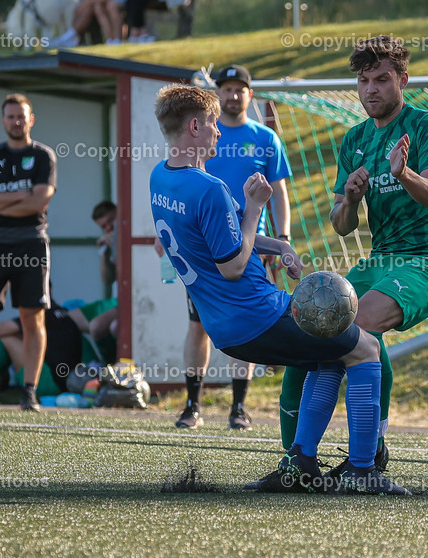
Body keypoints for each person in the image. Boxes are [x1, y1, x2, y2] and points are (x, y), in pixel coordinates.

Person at [150, 84, 409, 495]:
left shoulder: (161, 178)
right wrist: (255, 208)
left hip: (226, 328)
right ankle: (363, 471)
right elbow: (234, 266)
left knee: (331, 353)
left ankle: (300, 464)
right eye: (214, 124)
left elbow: (220, 235)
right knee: (367, 350)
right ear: (195, 127)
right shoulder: (210, 189)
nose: (220, 132)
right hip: (259, 316)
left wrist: (280, 245)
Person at [248, 35, 428, 493]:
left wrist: (402, 173)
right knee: (308, 331)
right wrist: (349, 197)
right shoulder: (356, 139)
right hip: (379, 260)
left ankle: (365, 462)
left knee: (349, 331)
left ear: (402, 79)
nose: (371, 90)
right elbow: (341, 226)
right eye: (364, 81)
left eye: (382, 79)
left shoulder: (426, 127)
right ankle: (298, 462)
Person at [167, 64, 292, 432]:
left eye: (240, 89)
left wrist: (282, 239)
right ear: (217, 95)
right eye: (226, 89)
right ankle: (192, 405)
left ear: (250, 95)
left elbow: (279, 192)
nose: (233, 95)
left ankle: (239, 406)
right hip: (207, 247)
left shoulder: (267, 138)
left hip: (253, 244)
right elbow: (183, 181)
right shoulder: (206, 134)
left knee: (250, 321)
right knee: (198, 325)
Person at [0, 93, 57, 411]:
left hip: (31, 242)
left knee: (32, 319)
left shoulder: (43, 156)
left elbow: (39, 202)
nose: (16, 121)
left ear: (31, 119)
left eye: (22, 116)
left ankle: (29, 390)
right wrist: (22, 195)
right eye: (11, 116)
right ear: (3, 120)